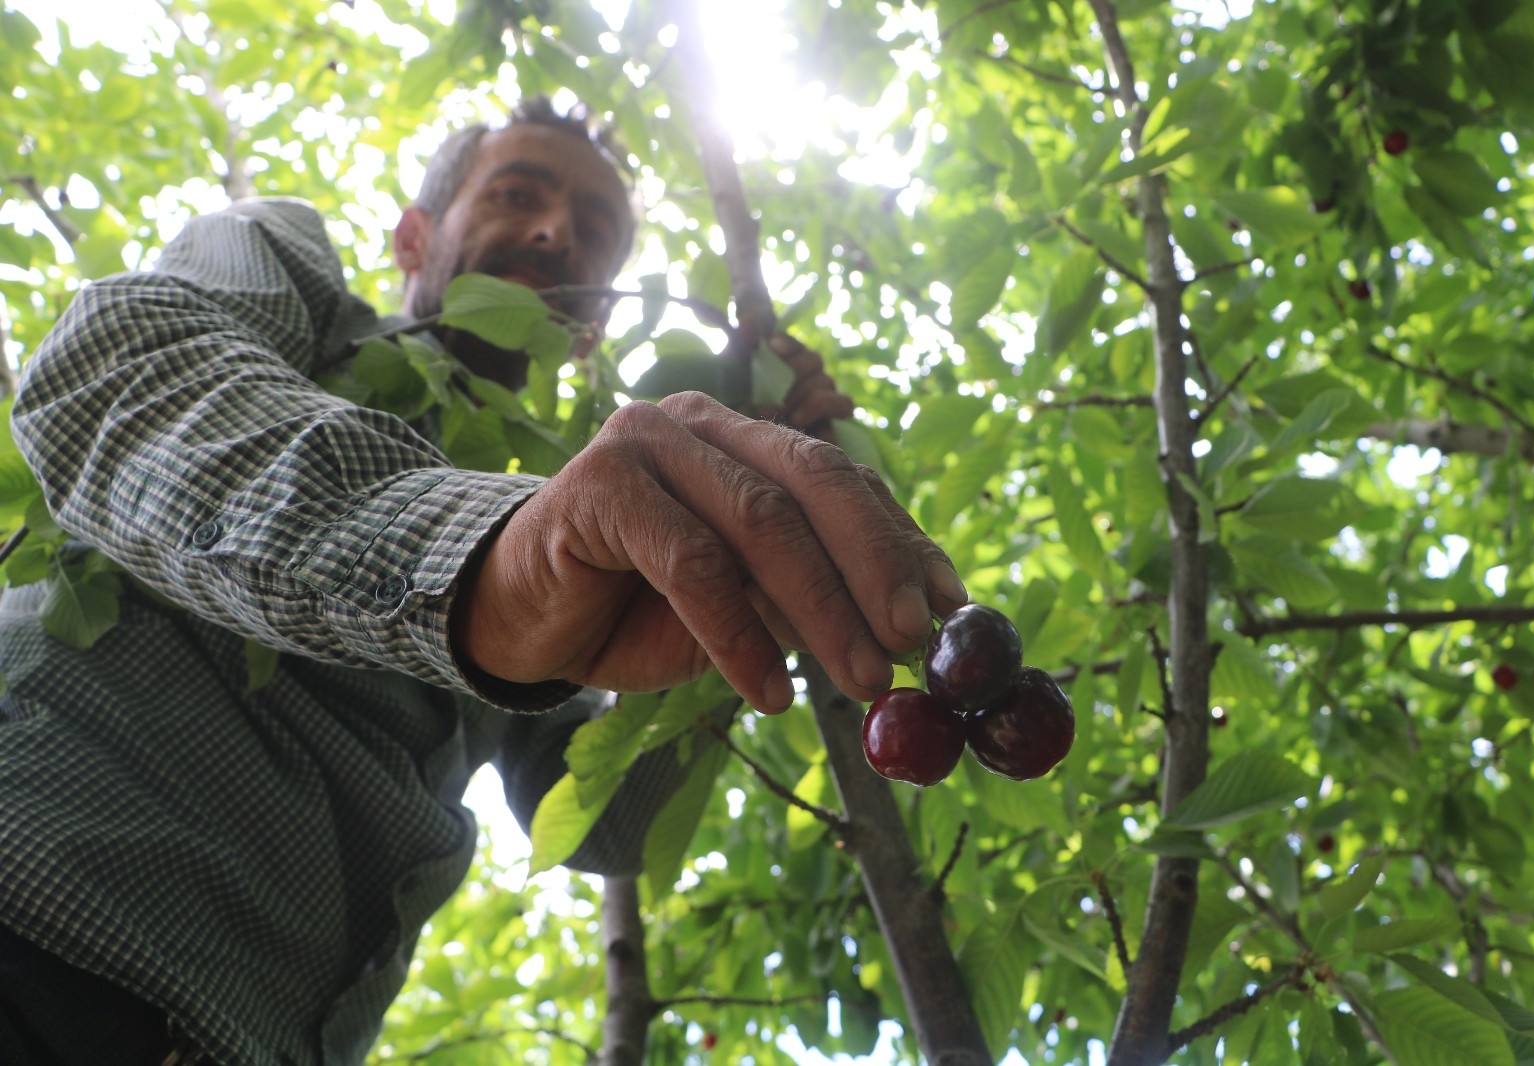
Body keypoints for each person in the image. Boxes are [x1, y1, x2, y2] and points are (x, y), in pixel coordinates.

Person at [0, 96, 967, 1066]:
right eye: (517, 195)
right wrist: (478, 569)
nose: (556, 235)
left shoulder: (564, 539)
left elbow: (611, 822)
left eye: (594, 232)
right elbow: (116, 369)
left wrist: (729, 575)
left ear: (585, 335)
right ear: (414, 238)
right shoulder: (294, 272)